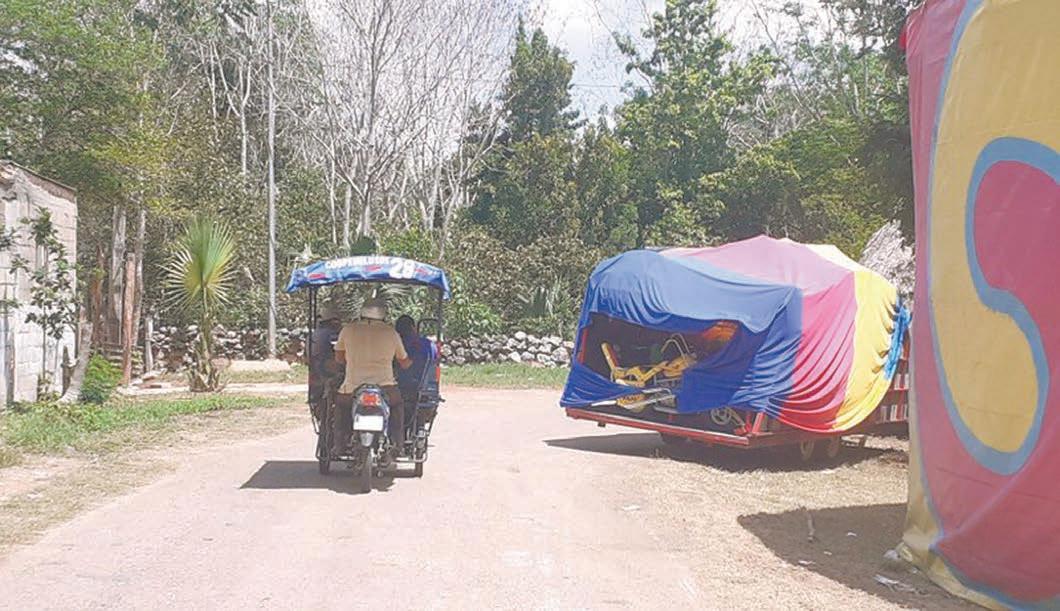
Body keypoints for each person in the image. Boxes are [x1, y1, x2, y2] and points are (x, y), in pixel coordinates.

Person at [332, 298, 412, 460]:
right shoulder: (391, 333)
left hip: (352, 387)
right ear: (383, 314)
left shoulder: (348, 330)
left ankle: (339, 444)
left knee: (340, 406)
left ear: (362, 311)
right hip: (385, 387)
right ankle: (398, 444)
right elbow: (404, 362)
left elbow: (339, 358)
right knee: (397, 406)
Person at [394, 315, 434, 424]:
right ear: (413, 327)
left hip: (400, 387)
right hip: (423, 387)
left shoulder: (396, 344)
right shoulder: (429, 345)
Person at [308, 303, 343, 409]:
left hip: (315, 365)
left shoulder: (314, 333)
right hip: (326, 366)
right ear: (332, 321)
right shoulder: (331, 334)